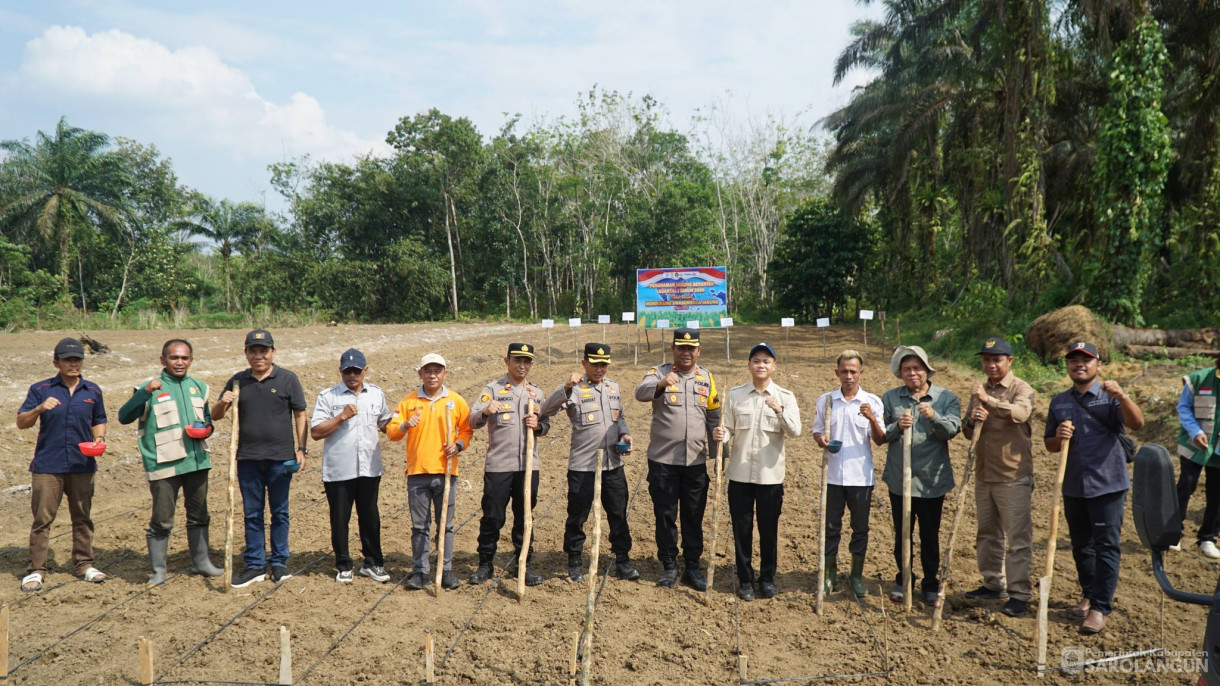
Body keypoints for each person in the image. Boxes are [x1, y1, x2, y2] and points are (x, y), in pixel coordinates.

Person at [1044, 341, 1144, 634]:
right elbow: (1050, 445)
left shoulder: (1111, 397)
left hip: (1108, 485)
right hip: (1074, 484)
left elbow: (1137, 423)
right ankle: (1088, 595)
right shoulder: (1059, 402)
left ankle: (1100, 607)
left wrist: (1122, 396)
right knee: (1081, 546)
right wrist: (1059, 435)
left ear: (1098, 365)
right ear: (1067, 366)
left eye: (1086, 360)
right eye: (1073, 360)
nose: (1079, 364)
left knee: (1106, 547)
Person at [117, 339, 224, 587]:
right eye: (174, 357)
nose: (180, 362)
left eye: (185, 358)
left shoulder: (199, 387)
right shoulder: (149, 388)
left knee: (199, 515)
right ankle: (158, 571)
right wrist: (144, 393)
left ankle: (201, 562)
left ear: (191, 360)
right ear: (163, 360)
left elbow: (207, 420)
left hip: (196, 462)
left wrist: (207, 429)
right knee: (162, 520)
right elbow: (124, 417)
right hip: (164, 465)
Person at [212, 329, 308, 588]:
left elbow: (300, 414)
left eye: (263, 351)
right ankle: (255, 564)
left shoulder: (288, 379)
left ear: (272, 352)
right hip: (248, 458)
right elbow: (216, 415)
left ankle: (279, 562)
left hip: (280, 459)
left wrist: (301, 448)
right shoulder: (238, 381)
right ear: (246, 353)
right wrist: (223, 402)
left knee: (280, 512)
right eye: (253, 351)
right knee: (252, 513)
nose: (258, 356)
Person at [541, 343, 639, 584]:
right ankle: (575, 560)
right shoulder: (574, 389)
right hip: (583, 466)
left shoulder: (613, 387)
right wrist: (565, 386)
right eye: (595, 364)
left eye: (604, 364)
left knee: (618, 514)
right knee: (577, 516)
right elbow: (546, 409)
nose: (599, 369)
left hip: (612, 465)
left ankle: (622, 560)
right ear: (584, 363)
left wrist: (624, 433)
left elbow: (620, 417)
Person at [16, 337, 109, 592]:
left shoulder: (92, 391)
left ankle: (84, 565)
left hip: (82, 464)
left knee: (82, 517)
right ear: (56, 362)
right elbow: (22, 422)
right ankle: (36, 570)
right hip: (48, 465)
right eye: (67, 360)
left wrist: (99, 438)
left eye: (77, 359)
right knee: (42, 519)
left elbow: (99, 419)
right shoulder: (41, 389)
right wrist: (39, 409)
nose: (73, 364)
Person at [712, 342, 801, 601]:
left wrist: (779, 410)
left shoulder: (785, 396)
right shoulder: (736, 394)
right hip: (740, 475)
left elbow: (795, 431)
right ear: (749, 365)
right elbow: (729, 428)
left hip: (770, 477)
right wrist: (722, 434)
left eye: (766, 361)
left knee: (768, 529)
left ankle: (767, 579)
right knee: (742, 530)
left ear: (774, 366)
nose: (761, 365)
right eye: (756, 361)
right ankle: (745, 580)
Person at [634, 328, 721, 590]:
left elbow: (714, 417)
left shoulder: (706, 377)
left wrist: (719, 455)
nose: (686, 353)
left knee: (694, 515)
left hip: (695, 461)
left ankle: (692, 566)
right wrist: (661, 384)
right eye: (681, 348)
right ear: (673, 349)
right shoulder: (658, 372)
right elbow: (640, 393)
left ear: (698, 351)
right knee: (665, 514)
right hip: (663, 461)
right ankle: (669, 565)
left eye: (691, 349)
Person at [961, 337, 1037, 617]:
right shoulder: (979, 390)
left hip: (1012, 475)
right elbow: (967, 431)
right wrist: (972, 419)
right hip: (984, 474)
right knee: (988, 533)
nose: (991, 365)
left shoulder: (1021, 388)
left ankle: (1019, 593)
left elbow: (1020, 414)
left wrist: (989, 401)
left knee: (1017, 539)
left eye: (997, 360)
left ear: (1010, 361)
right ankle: (993, 583)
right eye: (986, 360)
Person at [881, 345, 961, 607]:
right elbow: (881, 434)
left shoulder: (944, 398)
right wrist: (897, 425)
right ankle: (904, 579)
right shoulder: (891, 397)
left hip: (931, 481)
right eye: (906, 369)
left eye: (917, 368)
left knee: (929, 534)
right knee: (902, 534)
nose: (912, 373)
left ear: (927, 370)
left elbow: (952, 430)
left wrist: (933, 416)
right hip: (899, 480)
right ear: (900, 373)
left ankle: (930, 583)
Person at [386, 352, 473, 591]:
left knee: (445, 525)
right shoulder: (408, 402)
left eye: (437, 371)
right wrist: (405, 425)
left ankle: (445, 570)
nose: (432, 375)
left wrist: (459, 445)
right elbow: (392, 432)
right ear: (420, 373)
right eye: (428, 371)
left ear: (445, 374)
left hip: (446, 473)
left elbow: (467, 430)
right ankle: (420, 572)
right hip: (417, 474)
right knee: (419, 527)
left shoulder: (456, 401)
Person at [467, 343, 550, 586]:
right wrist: (485, 412)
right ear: (507, 361)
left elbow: (546, 425)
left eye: (527, 361)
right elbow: (472, 421)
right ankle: (485, 564)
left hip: (528, 467)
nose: (522, 365)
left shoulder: (537, 393)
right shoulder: (492, 389)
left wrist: (538, 425)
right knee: (493, 516)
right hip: (499, 466)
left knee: (525, 517)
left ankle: (523, 564)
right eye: (517, 360)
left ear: (531, 363)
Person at [310, 348, 393, 584]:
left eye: (356, 370)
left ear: (365, 370)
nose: (352, 375)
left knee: (370, 517)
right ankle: (344, 565)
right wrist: (341, 416)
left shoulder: (376, 394)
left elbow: (385, 423)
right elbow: (316, 432)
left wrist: (405, 423)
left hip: (369, 468)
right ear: (340, 371)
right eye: (347, 371)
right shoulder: (328, 396)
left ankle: (373, 563)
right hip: (339, 470)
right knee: (340, 519)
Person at [811, 349, 884, 599]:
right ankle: (829, 575)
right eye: (844, 371)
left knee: (860, 528)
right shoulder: (826, 401)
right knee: (831, 527)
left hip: (861, 477)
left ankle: (856, 576)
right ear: (837, 373)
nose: (849, 376)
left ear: (861, 373)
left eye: (853, 371)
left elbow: (880, 439)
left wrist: (872, 418)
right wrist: (821, 439)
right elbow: (817, 431)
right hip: (832, 476)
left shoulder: (872, 402)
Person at [1174, 356, 1220, 559]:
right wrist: (1195, 431)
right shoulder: (1198, 379)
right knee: (1187, 484)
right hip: (1194, 444)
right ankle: (1173, 532)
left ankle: (1207, 538)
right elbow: (1183, 407)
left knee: (1217, 493)